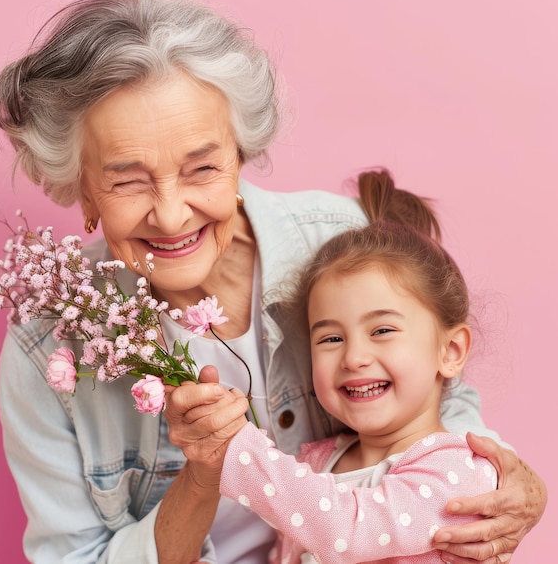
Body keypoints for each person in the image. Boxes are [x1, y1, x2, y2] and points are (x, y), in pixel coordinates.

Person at [0, 0, 546, 564]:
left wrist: (508, 481)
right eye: (128, 181)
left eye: (202, 168)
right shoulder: (50, 346)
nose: (173, 213)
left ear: (240, 154)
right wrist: (206, 473)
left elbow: (441, 398)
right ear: (81, 189)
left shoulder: (334, 242)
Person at [213, 168, 497, 562]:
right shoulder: (315, 462)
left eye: (381, 330)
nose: (354, 357)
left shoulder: (460, 471)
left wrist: (235, 447)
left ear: (449, 351)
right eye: (331, 338)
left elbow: (348, 530)